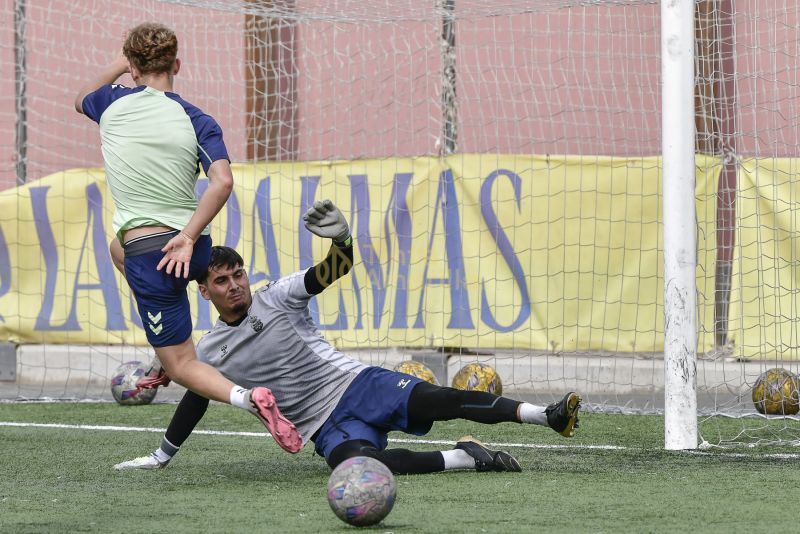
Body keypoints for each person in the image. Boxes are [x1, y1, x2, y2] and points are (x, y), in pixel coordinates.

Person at [113, 199, 582, 474]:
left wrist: (343, 242)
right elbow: (195, 396)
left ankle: (547, 415)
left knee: (442, 400)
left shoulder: (277, 295)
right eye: (222, 281)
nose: (234, 285)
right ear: (204, 290)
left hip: (356, 384)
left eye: (238, 275)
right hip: (322, 427)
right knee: (359, 469)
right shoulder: (210, 350)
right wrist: (162, 454)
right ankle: (467, 459)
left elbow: (328, 273)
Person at [74, 22, 300, 453]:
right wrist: (189, 236)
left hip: (154, 255)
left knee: (182, 366)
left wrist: (122, 65)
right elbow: (222, 181)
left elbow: (80, 96)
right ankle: (167, 339)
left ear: (133, 68)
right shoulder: (197, 118)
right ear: (177, 64)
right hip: (193, 252)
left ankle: (247, 396)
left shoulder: (111, 101)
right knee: (114, 247)